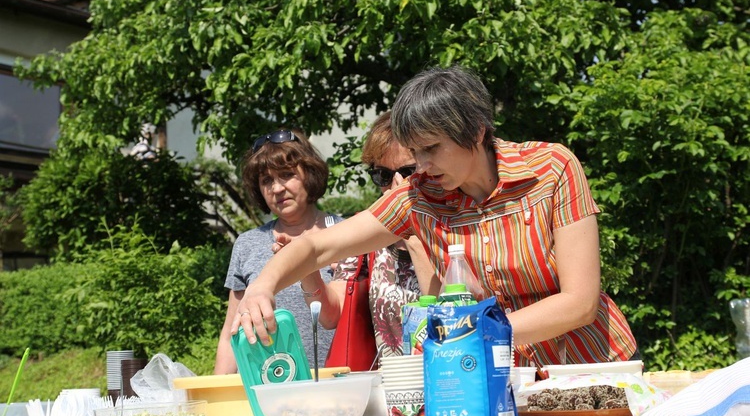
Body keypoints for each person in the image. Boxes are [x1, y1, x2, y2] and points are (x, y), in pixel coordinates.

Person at [231, 66, 638, 367]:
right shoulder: (417, 197)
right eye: (415, 152)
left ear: (476, 131)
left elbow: (580, 303)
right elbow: (319, 244)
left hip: (592, 368)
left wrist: (469, 332)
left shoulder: (552, 168)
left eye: (431, 149)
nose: (420, 166)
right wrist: (262, 287)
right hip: (504, 378)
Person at [278, 112, 440, 359]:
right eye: (383, 175)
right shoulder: (365, 234)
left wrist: (409, 228)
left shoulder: (452, 225)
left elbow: (448, 312)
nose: (395, 185)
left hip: (449, 378)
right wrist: (307, 271)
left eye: (407, 172)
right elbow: (331, 316)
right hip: (391, 387)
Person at [214, 129, 339, 374]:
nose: (277, 188)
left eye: (287, 175)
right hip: (267, 387)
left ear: (310, 174)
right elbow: (231, 334)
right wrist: (214, 400)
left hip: (337, 382)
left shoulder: (345, 234)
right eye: (266, 180)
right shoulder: (248, 243)